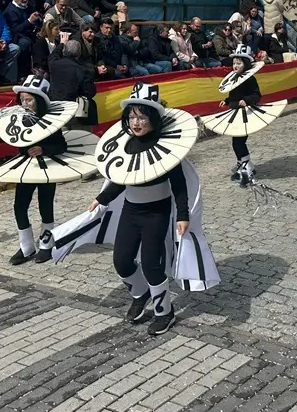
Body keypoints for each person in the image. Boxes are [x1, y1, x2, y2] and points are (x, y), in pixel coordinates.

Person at [84, 83, 217, 333]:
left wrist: (183, 214)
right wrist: (102, 198)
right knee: (122, 261)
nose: (136, 122)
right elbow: (121, 180)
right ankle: (140, 292)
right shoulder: (127, 145)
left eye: (142, 117)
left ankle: (164, 312)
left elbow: (178, 185)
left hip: (157, 213)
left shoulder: (166, 149)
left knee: (151, 264)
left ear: (154, 119)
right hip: (131, 211)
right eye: (132, 116)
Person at [0, 76, 71, 264]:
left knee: (45, 204)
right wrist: (0, 138)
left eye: (29, 100)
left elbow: (61, 145)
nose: (25, 104)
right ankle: (26, 247)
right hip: (26, 167)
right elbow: (13, 134)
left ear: (39, 101)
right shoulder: (17, 117)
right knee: (19, 206)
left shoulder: (50, 120)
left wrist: (44, 149)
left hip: (47, 167)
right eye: (23, 99)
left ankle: (46, 244)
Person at [213, 45, 262, 186]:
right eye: (234, 63)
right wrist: (227, 101)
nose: (235, 66)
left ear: (245, 64)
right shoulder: (233, 78)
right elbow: (233, 94)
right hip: (234, 114)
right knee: (235, 142)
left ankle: (248, 168)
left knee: (239, 142)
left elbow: (257, 95)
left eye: (239, 63)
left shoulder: (250, 79)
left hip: (245, 115)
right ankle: (242, 164)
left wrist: (246, 100)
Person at [49, 40, 97, 126]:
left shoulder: (54, 64)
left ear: (64, 51)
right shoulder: (84, 70)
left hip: (56, 112)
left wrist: (61, 43)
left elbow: (53, 55)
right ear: (79, 53)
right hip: (75, 112)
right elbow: (90, 92)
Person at [3, 0, 42, 78]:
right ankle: (23, 74)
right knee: (25, 44)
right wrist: (29, 21)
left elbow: (36, 22)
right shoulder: (10, 11)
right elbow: (14, 30)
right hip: (16, 37)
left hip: (30, 34)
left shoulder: (29, 7)